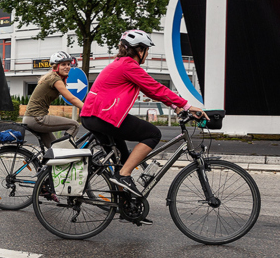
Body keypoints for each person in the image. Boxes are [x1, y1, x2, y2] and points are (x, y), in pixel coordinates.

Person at [80, 29, 204, 205]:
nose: (146, 54)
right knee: (152, 134)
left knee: (121, 161)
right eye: (146, 50)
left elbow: (150, 90)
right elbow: (155, 88)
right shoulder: (128, 65)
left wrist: (174, 106)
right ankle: (124, 176)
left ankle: (125, 204)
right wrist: (186, 106)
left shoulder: (120, 64)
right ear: (140, 50)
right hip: (102, 117)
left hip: (92, 117)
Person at [23, 51, 84, 148]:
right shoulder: (55, 79)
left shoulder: (52, 77)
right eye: (63, 64)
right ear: (55, 66)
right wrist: (88, 109)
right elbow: (71, 98)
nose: (67, 66)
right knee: (75, 125)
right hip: (37, 118)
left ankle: (54, 160)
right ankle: (66, 150)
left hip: (32, 118)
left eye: (68, 64)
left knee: (54, 149)